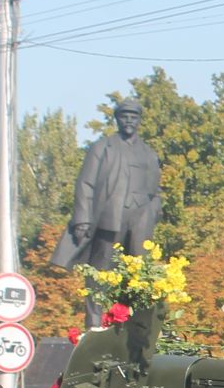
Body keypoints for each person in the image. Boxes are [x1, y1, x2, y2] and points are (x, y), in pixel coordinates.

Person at [49, 98, 163, 275]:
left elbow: (156, 190)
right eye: (124, 117)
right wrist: (82, 219)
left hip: (141, 219)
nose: (129, 121)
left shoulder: (149, 154)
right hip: (110, 217)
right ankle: (98, 304)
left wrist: (153, 211)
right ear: (117, 119)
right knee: (102, 269)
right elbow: (86, 183)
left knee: (139, 273)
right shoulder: (102, 147)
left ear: (139, 120)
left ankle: (129, 304)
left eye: (133, 117)